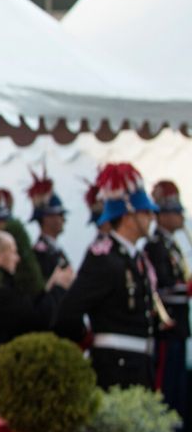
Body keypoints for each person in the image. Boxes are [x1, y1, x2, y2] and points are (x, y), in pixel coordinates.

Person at [54, 163, 158, 389]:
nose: (152, 217)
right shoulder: (103, 258)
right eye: (145, 212)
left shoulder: (135, 258)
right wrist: (86, 338)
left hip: (140, 365)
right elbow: (67, 314)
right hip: (115, 368)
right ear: (129, 216)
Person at [0, 230, 71, 362]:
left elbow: (27, 307)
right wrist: (59, 288)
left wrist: (50, 287)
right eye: (13, 252)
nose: (18, 258)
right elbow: (35, 320)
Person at [147, 180, 189, 432]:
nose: (181, 217)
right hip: (167, 327)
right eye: (176, 211)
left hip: (180, 326)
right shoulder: (156, 246)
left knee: (177, 385)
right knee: (165, 386)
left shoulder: (171, 245)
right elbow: (161, 288)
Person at [27, 170, 70, 279]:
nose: (63, 219)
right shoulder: (40, 253)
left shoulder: (54, 248)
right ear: (46, 219)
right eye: (59, 215)